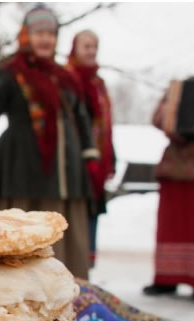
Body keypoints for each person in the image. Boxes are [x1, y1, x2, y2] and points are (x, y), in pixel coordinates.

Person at [0, 4, 98, 279]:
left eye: (50, 33)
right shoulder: (12, 72)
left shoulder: (65, 77)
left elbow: (81, 118)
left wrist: (89, 154)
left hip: (66, 172)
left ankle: (67, 288)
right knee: (21, 230)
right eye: (39, 32)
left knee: (66, 234)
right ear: (26, 36)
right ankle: (17, 288)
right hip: (21, 167)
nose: (45, 38)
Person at [143, 31, 194, 301]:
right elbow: (159, 118)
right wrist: (170, 115)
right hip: (176, 166)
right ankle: (166, 278)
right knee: (171, 224)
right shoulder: (182, 87)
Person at [65, 30, 116, 269]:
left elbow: (105, 124)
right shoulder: (68, 78)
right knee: (75, 214)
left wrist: (110, 157)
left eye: (95, 46)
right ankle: (73, 264)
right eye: (86, 46)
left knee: (92, 211)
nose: (91, 51)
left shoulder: (99, 84)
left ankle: (85, 268)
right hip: (74, 160)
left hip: (97, 159)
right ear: (75, 48)